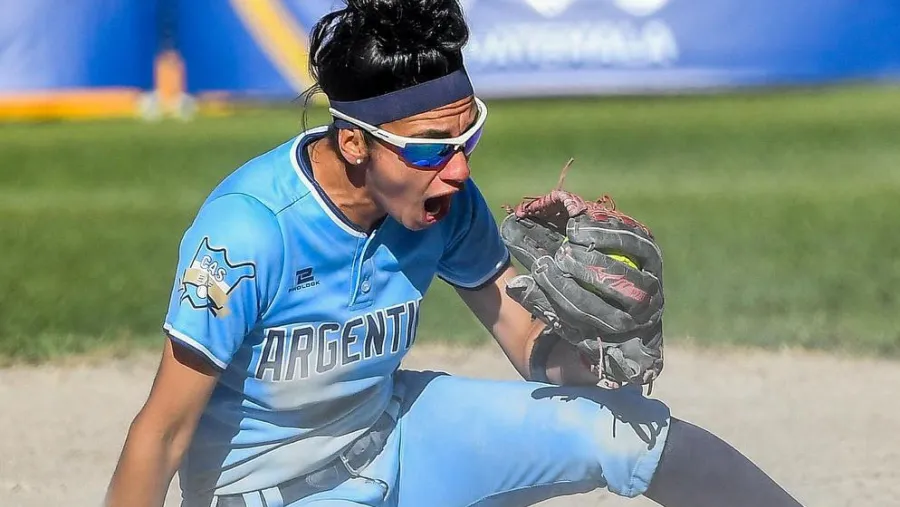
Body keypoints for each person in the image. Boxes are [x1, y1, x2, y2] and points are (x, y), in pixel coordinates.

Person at [105, 1, 804, 506]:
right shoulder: (248, 231)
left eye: (467, 138)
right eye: (433, 147)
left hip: (397, 437)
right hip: (267, 492)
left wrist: (600, 355)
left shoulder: (442, 202)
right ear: (355, 143)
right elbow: (161, 432)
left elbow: (526, 342)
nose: (459, 169)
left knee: (632, 434)